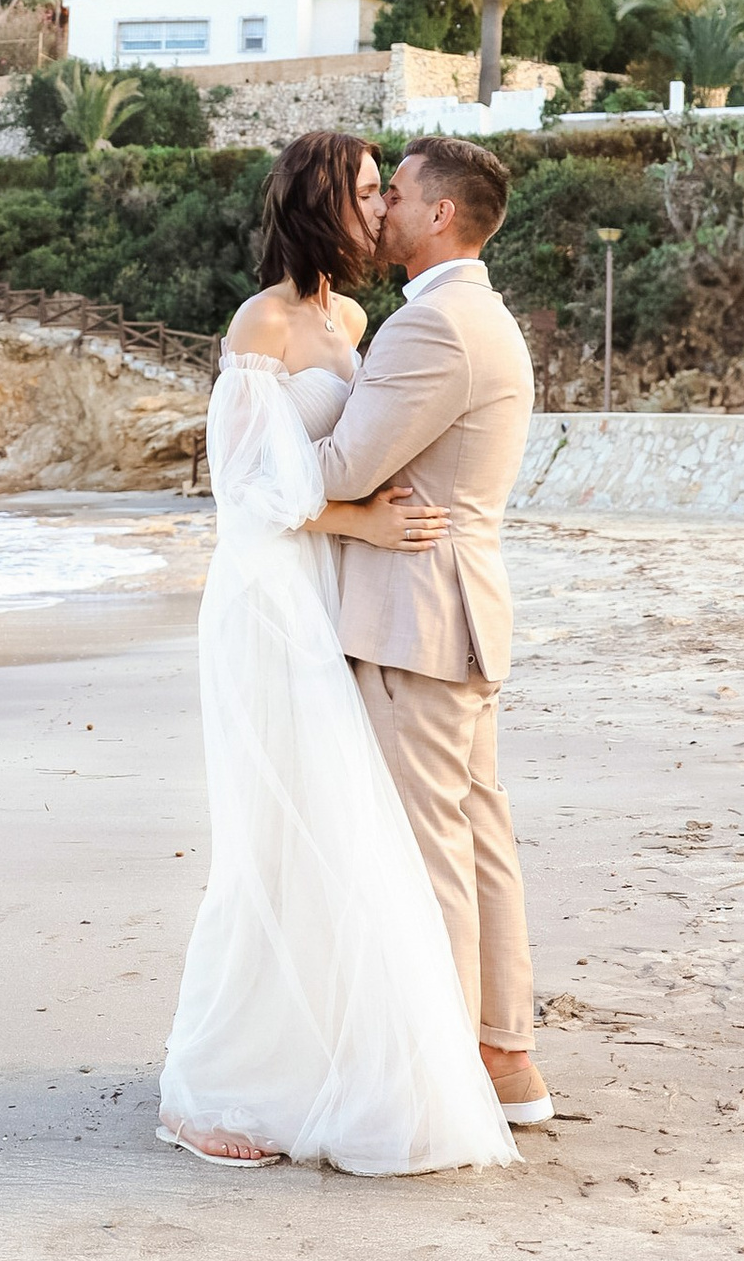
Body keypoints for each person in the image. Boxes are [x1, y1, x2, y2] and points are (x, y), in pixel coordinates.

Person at [156, 130, 518, 1175]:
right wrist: (357, 522)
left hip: (334, 598)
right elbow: (243, 489)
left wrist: (359, 523)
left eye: (384, 190)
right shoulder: (261, 321)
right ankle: (209, 1085)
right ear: (322, 202)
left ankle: (321, 1054)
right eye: (364, 190)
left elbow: (366, 445)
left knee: (337, 832)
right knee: (273, 832)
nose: (378, 206)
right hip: (273, 595)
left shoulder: (357, 320)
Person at [309, 133, 550, 1128]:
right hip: (463, 612)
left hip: (417, 616)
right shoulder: (479, 314)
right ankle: (504, 1057)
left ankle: (437, 1076)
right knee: (479, 836)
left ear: (441, 213)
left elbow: (340, 468)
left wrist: (258, 452)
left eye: (396, 194)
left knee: (428, 853)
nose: (382, 210)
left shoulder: (432, 327)